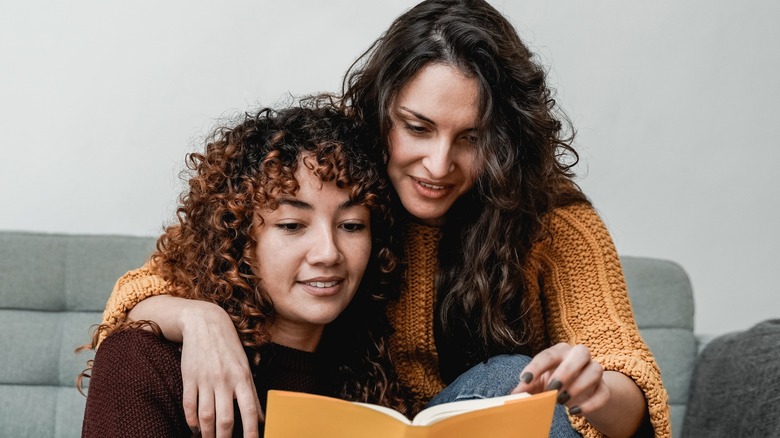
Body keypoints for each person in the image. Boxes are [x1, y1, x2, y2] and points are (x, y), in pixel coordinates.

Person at [94, 1, 671, 437]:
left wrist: (594, 391)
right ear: (381, 111)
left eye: (470, 138)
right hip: (362, 415)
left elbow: (627, 372)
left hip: (481, 419)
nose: (439, 165)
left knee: (514, 382)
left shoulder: (549, 219)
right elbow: (158, 281)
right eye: (417, 128)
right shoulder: (338, 174)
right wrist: (198, 319)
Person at [80, 100, 406, 437]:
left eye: (352, 226)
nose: (328, 253)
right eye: (292, 225)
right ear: (238, 237)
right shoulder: (145, 360)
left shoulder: (375, 374)